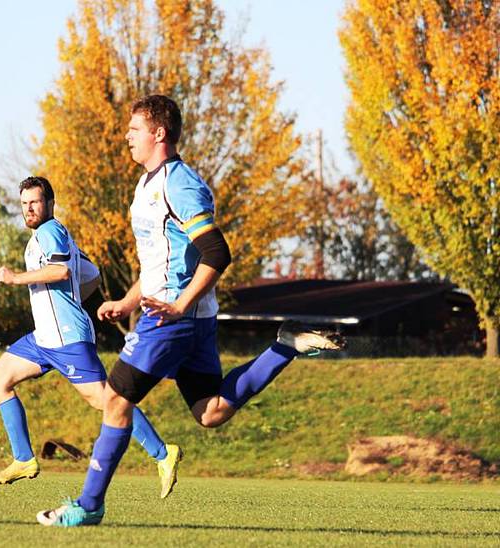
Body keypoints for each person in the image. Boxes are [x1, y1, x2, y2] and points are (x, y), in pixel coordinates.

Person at [36, 95, 345, 527]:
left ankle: (88, 506)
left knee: (114, 399)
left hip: (171, 321)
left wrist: (179, 305)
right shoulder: (148, 184)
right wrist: (127, 301)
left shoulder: (178, 183)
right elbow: (165, 259)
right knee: (211, 411)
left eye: (134, 129)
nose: (127, 136)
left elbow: (216, 251)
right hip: (187, 319)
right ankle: (284, 346)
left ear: (159, 133)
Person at [0, 176, 182, 499]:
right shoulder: (51, 237)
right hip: (44, 338)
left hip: (66, 338)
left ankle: (164, 453)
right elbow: (89, 275)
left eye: (35, 202)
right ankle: (23, 459)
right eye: (24, 204)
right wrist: (71, 300)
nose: (29, 209)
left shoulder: (51, 231)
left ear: (50, 203)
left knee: (108, 400)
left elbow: (62, 272)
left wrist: (15, 278)